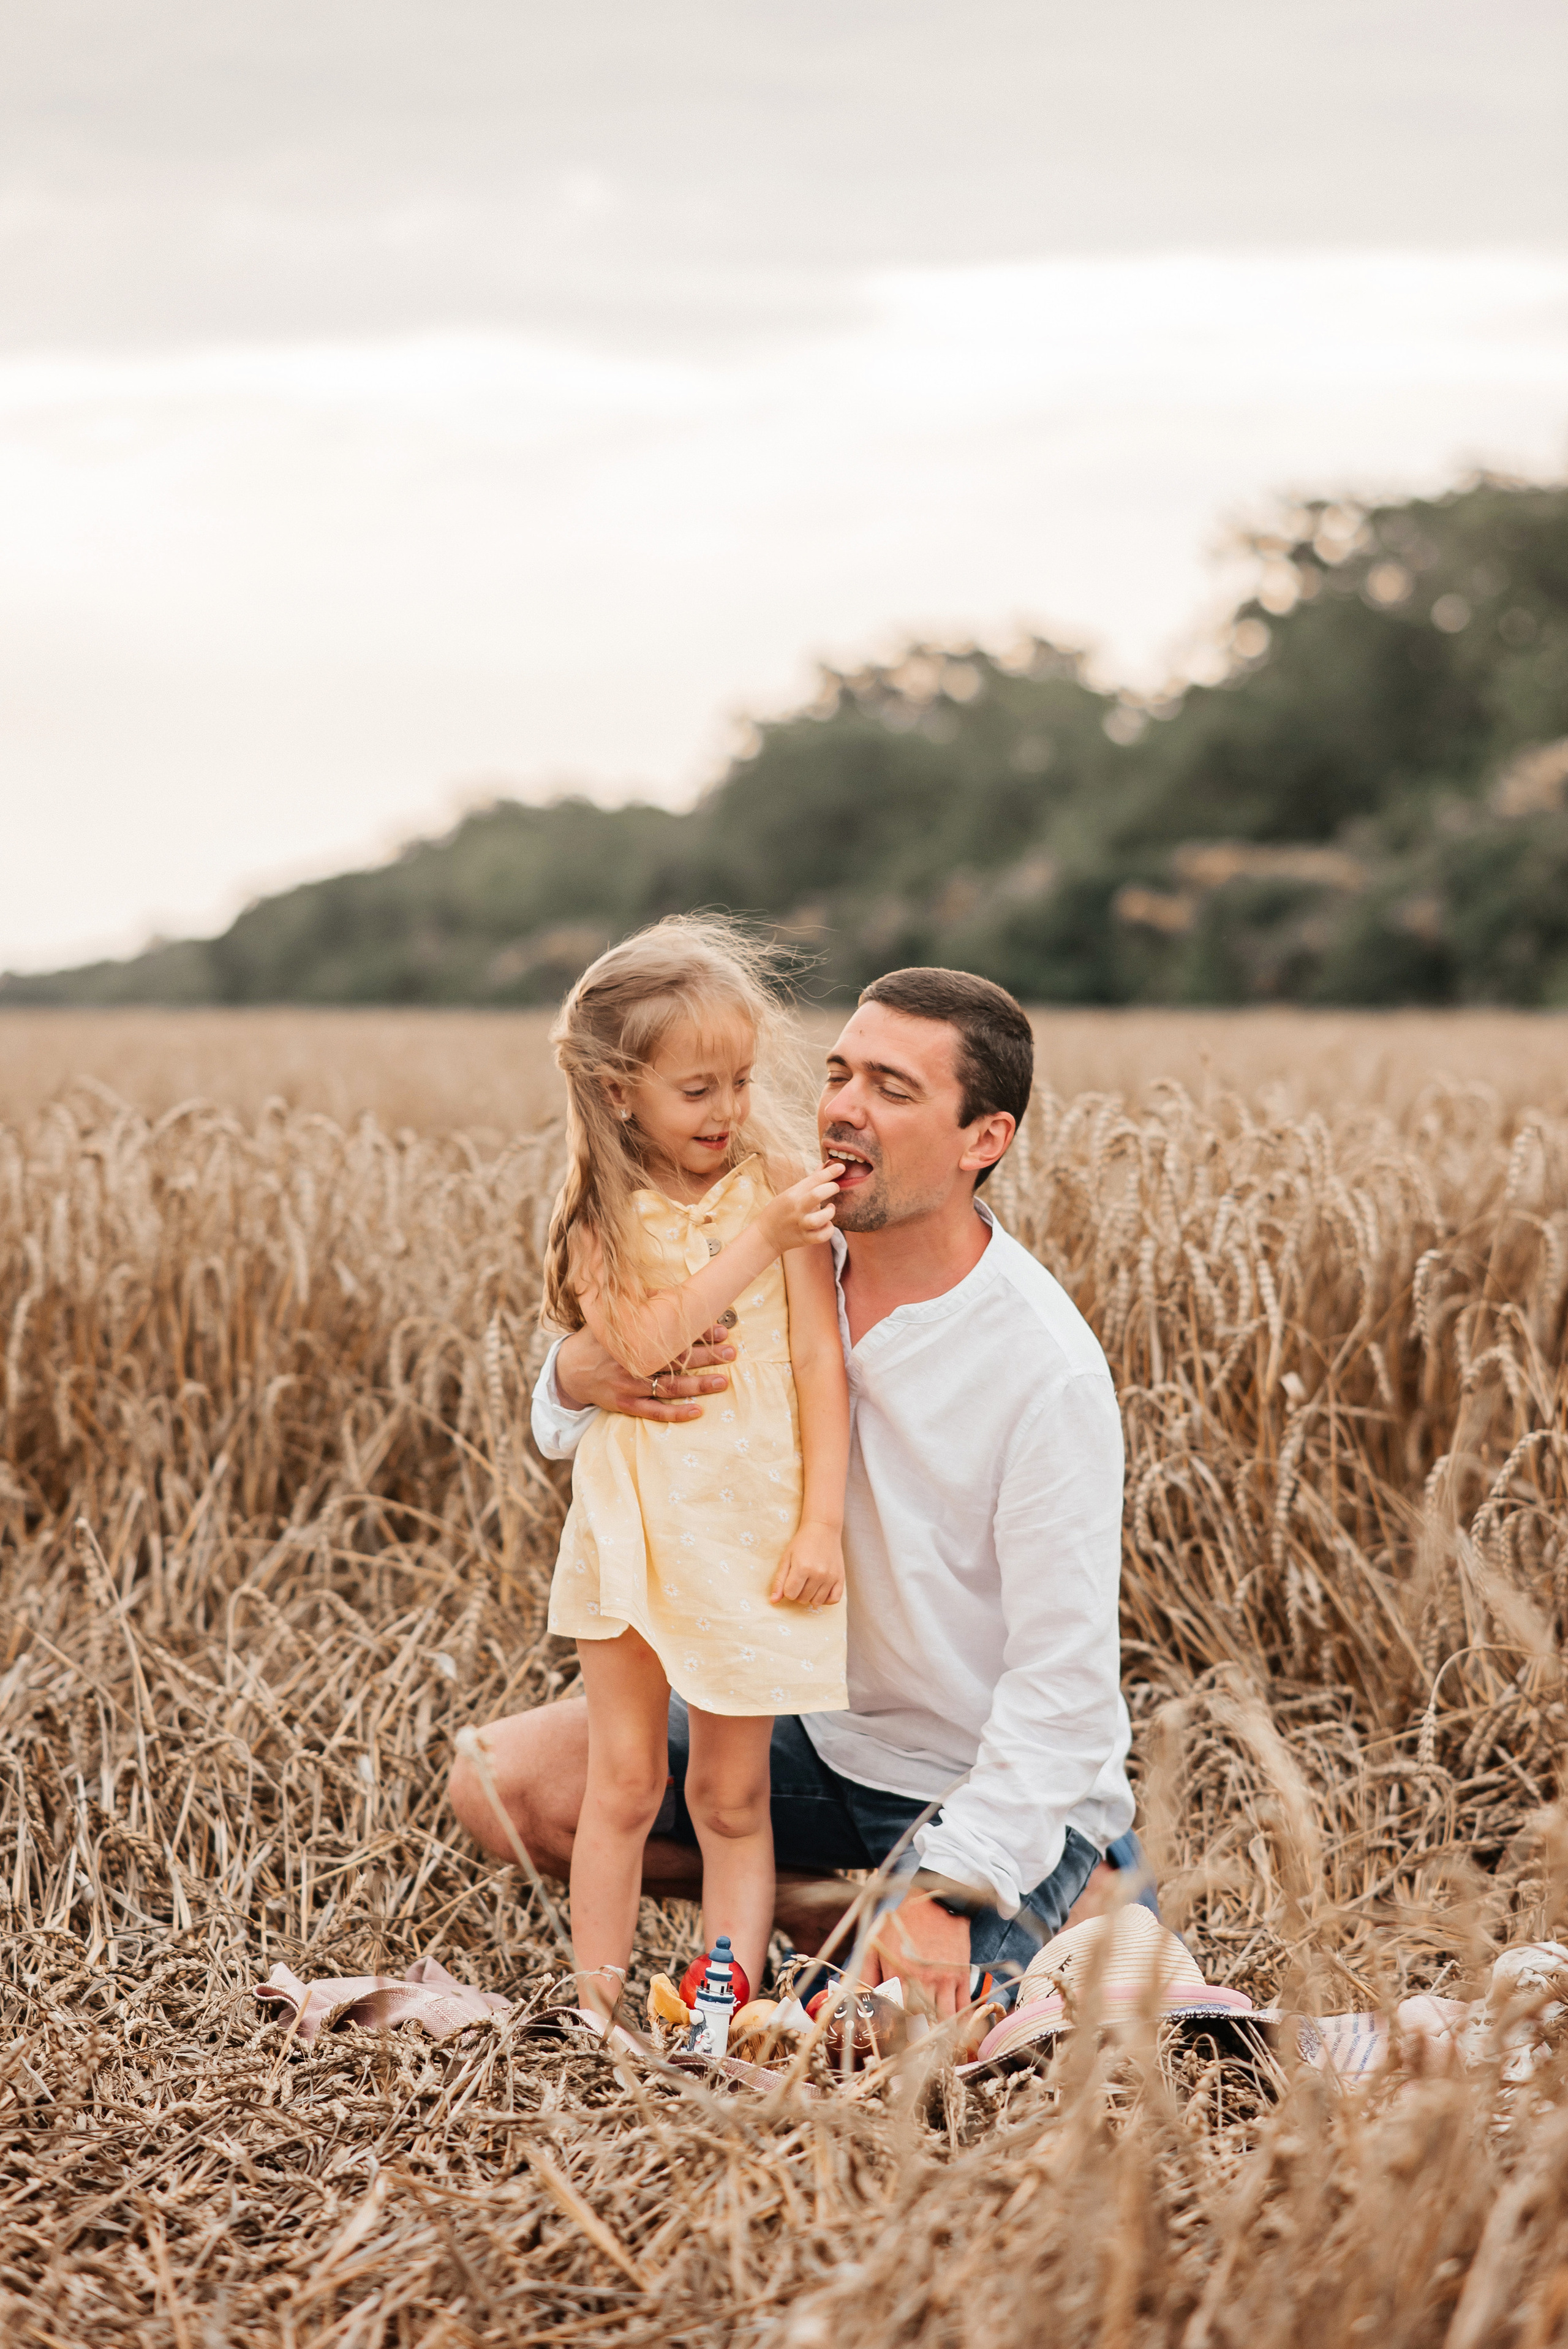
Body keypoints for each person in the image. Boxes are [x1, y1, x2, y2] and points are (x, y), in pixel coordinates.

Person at [450, 964, 1139, 2017]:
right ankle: (818, 1919)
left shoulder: (1045, 1369)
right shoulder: (768, 1243)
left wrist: (955, 1884)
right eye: (838, 1073)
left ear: (984, 1139)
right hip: (807, 1729)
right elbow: (600, 1399)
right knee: (501, 1782)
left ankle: (983, 1920)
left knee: (904, 2036)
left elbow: (1068, 1693)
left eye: (892, 1089)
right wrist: (573, 1375)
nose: (843, 1109)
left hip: (967, 1774)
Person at [530, 917, 851, 2017]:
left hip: (750, 1532)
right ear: (621, 1092)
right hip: (636, 1528)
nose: (729, 1110)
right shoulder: (601, 1218)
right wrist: (758, 1239)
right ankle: (597, 2005)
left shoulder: (779, 1184)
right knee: (625, 1781)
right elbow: (643, 1344)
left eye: (743, 1082)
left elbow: (818, 1359)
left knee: (730, 1794)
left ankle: (722, 2006)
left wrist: (820, 1522)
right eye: (698, 1089)